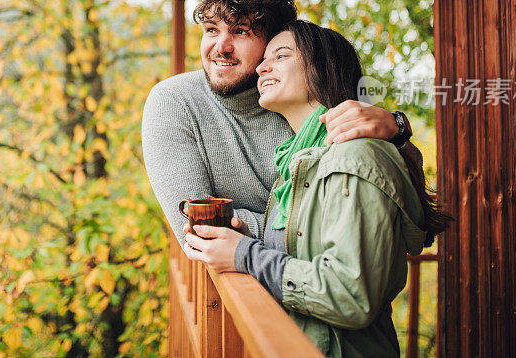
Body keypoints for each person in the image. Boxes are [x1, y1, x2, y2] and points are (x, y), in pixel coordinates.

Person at [182, 20, 451, 357]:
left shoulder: (353, 155)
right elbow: (309, 254)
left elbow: (351, 294)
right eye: (264, 59)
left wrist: (244, 255)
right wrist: (248, 237)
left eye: (280, 56)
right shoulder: (299, 161)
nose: (262, 67)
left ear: (322, 68)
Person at [142, 0, 418, 242]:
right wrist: (314, 229)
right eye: (212, 30)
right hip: (266, 276)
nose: (221, 47)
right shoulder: (174, 100)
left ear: (273, 41)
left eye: (241, 31)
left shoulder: (301, 95)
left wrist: (398, 129)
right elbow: (197, 226)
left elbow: (395, 198)